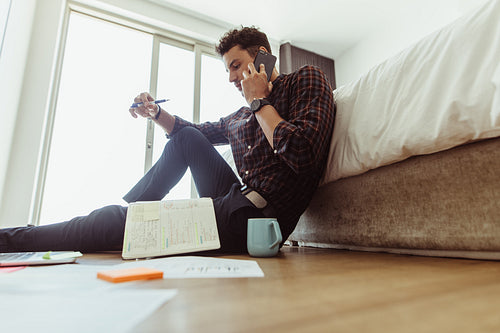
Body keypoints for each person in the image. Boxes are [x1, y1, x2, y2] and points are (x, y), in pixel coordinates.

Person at [0, 26, 335, 253]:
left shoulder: (305, 80)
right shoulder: (241, 117)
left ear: (262, 56)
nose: (232, 77)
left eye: (236, 66)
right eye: (228, 71)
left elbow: (303, 155)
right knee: (186, 137)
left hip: (260, 219)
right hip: (235, 201)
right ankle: (132, 217)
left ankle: (14, 239)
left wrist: (260, 101)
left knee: (105, 222)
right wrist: (154, 113)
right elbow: (193, 133)